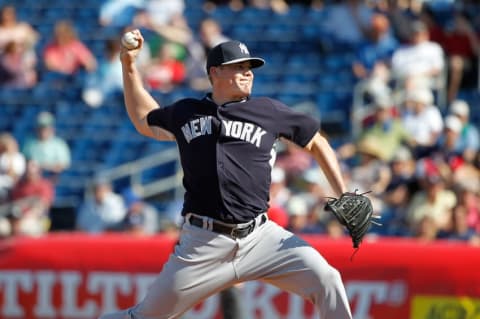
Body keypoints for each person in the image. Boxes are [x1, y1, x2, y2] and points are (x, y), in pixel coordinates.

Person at [99, 32, 352, 318]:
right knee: (145, 317)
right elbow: (145, 120)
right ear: (215, 72)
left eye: (249, 68)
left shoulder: (267, 111)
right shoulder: (188, 112)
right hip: (203, 243)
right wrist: (129, 66)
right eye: (238, 67)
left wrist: (343, 192)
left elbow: (317, 142)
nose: (247, 73)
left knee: (327, 279)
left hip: (261, 237)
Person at [21, 111, 71, 180]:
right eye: (41, 127)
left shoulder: (59, 144)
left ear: (52, 128)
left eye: (46, 127)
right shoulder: (29, 143)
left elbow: (64, 165)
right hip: (33, 178)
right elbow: (24, 162)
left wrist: (46, 167)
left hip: (53, 178)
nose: (43, 130)